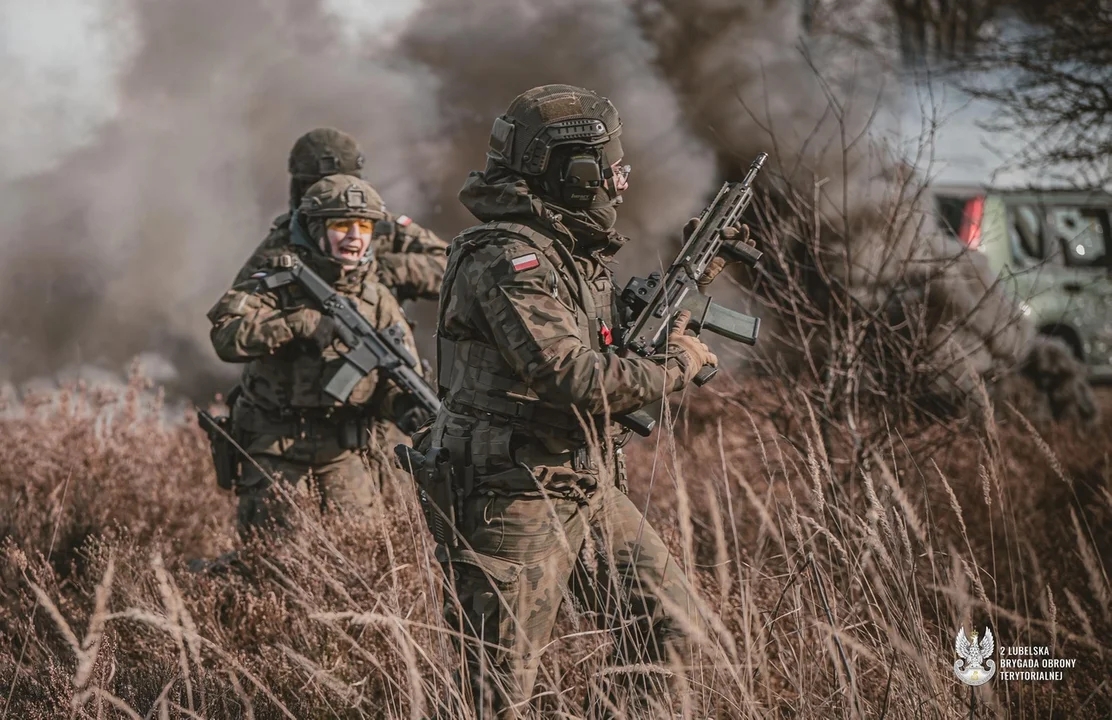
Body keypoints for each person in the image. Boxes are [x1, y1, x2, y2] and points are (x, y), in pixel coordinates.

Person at [420, 84, 750, 718]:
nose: (621, 180)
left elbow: (605, 341)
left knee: (672, 628)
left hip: (581, 483)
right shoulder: (505, 258)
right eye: (609, 165)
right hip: (512, 494)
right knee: (496, 697)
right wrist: (678, 366)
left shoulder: (569, 252)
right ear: (571, 171)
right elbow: (576, 379)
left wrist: (687, 289)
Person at [207, 174, 429, 539]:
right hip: (275, 452)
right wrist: (298, 323)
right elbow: (225, 334)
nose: (355, 236)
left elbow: (398, 374)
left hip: (344, 457)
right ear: (315, 228)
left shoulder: (377, 299)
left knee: (362, 558)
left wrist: (404, 407)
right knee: (275, 564)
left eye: (364, 225)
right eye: (341, 224)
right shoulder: (277, 282)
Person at [233, 127, 448, 302]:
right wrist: (299, 323)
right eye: (317, 186)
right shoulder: (283, 244)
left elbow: (452, 270)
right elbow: (231, 323)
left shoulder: (382, 227)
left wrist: (383, 270)